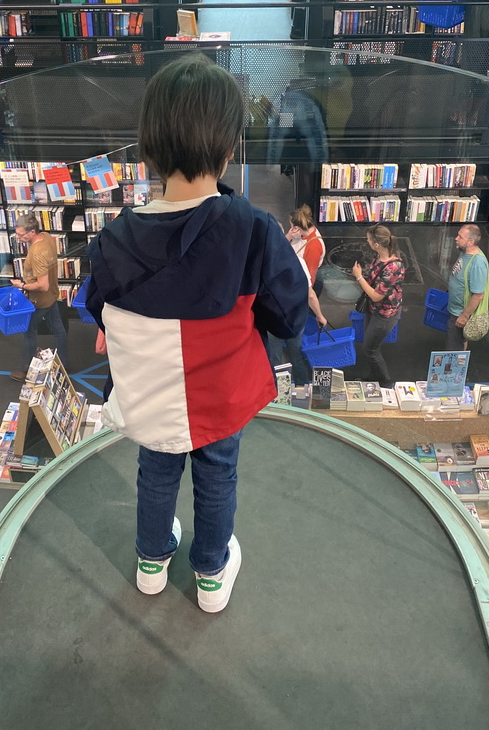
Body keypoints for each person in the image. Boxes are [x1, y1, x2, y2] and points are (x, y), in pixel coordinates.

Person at [85, 54, 308, 613]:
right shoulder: (251, 228)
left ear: (148, 148)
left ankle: (151, 561)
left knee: (155, 467)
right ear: (230, 146)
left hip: (150, 396)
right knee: (218, 475)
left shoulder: (115, 238)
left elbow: (97, 306)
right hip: (220, 397)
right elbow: (289, 312)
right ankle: (211, 574)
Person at [267, 205, 327, 388]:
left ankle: (280, 388)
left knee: (276, 352)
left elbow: (309, 288)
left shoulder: (269, 259)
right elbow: (309, 293)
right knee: (295, 349)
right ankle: (301, 385)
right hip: (294, 311)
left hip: (278, 310)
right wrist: (319, 315)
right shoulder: (298, 260)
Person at [9, 212, 68, 382]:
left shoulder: (36, 253)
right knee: (58, 328)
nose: (18, 237)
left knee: (28, 331)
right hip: (52, 295)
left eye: (21, 234)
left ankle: (28, 371)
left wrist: (22, 285)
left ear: (32, 232)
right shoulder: (47, 237)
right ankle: (63, 363)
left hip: (39, 300)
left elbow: (43, 285)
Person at [352, 224, 405, 387]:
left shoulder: (393, 267)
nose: (366, 241)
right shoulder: (381, 256)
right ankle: (374, 375)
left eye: (368, 239)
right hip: (374, 310)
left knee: (370, 349)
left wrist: (359, 277)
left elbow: (376, 296)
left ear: (376, 244)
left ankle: (385, 381)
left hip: (384, 313)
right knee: (371, 346)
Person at [446, 223, 489, 351]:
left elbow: (478, 295)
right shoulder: (464, 253)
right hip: (455, 310)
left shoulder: (477, 263)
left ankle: (453, 370)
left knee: (453, 348)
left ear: (470, 241)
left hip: (459, 314)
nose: (456, 238)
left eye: (460, 237)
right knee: (457, 343)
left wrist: (464, 316)